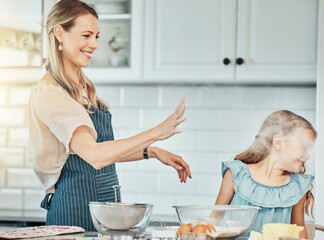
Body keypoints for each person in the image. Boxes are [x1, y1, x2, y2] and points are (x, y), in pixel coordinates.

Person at [27, 0, 191, 231]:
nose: (94, 44)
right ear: (59, 33)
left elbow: (99, 149)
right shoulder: (50, 94)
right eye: (86, 35)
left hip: (103, 205)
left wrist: (151, 152)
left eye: (96, 36)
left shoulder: (82, 88)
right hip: (74, 210)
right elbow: (95, 156)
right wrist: (155, 133)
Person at [215, 110, 316, 239]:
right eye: (304, 147)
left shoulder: (297, 186)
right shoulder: (236, 175)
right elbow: (214, 222)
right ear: (278, 142)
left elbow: (299, 233)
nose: (308, 155)